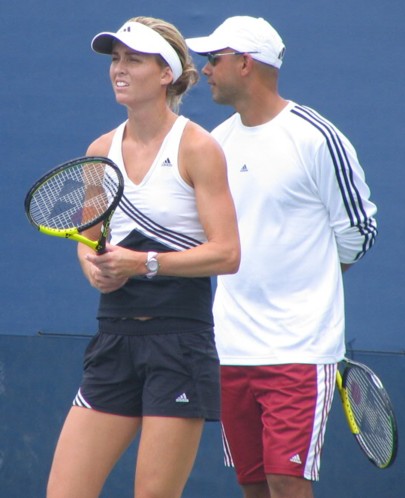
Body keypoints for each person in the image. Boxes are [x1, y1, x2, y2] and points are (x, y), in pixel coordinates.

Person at [46, 16, 240, 498]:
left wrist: (145, 263)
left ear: (166, 73)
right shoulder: (100, 151)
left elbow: (228, 253)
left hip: (179, 343)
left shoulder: (198, 147)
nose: (119, 69)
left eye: (133, 59)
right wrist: (94, 269)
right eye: (115, 59)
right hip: (114, 340)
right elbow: (87, 241)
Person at [186, 15, 377, 498]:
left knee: (285, 481)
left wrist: (311, 278)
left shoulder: (316, 138)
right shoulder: (216, 145)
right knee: (252, 484)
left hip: (299, 347)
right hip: (230, 347)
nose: (205, 69)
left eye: (214, 59)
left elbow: (358, 230)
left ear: (245, 64)